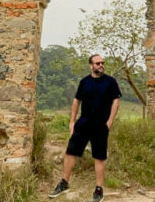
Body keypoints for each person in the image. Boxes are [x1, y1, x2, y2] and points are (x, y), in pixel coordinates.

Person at [48, 53, 121, 202]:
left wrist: (109, 122)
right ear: (91, 66)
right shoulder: (84, 82)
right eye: (98, 63)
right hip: (83, 123)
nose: (101, 65)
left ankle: (99, 189)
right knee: (70, 152)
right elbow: (76, 101)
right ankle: (64, 183)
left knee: (99, 157)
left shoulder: (110, 82)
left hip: (101, 125)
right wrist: (72, 121)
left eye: (102, 63)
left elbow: (116, 101)